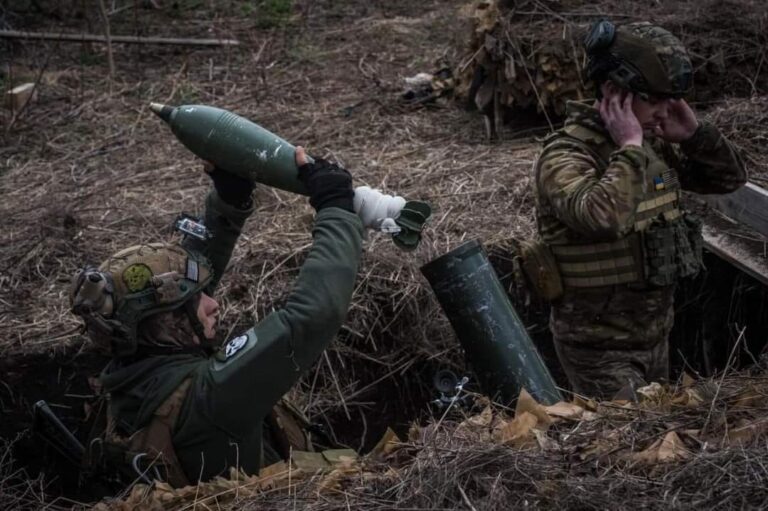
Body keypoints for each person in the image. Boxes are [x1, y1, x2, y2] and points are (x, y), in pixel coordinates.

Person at [68, 147, 363, 486]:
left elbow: (178, 290)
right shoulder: (210, 396)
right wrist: (336, 208)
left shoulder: (130, 376)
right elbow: (313, 314)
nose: (214, 304)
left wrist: (229, 201)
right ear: (162, 325)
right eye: (197, 301)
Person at [533, 21, 746, 399]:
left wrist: (696, 136)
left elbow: (727, 180)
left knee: (658, 442)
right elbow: (601, 218)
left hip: (656, 335)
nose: (666, 111)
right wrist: (629, 146)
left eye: (671, 99)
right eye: (655, 99)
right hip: (598, 350)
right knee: (626, 447)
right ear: (615, 91)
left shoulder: (653, 145)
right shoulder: (566, 154)